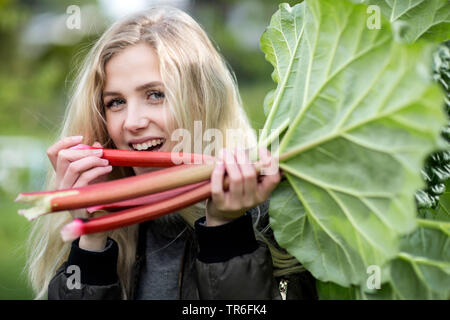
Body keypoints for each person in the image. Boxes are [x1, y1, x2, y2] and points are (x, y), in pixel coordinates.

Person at [25, 6, 317, 300]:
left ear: (203, 101)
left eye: (155, 95)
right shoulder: (106, 227)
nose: (132, 122)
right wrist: (93, 237)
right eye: (115, 102)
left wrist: (225, 230)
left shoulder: (275, 222)